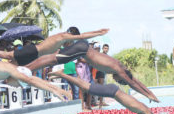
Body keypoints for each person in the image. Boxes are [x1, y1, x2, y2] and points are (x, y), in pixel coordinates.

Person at [24, 27, 159, 103]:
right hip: (82, 50)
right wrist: (148, 95)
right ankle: (26, 69)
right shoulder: (119, 70)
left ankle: (27, 67)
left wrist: (150, 93)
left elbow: (134, 80)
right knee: (53, 59)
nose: (116, 80)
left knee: (54, 57)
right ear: (121, 78)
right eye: (119, 80)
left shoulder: (121, 66)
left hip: (83, 49)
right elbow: (132, 83)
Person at [48, 70, 159, 114]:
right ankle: (62, 74)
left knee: (86, 87)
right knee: (86, 87)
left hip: (113, 91)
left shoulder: (142, 109)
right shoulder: (146, 111)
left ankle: (61, 77)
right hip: (113, 91)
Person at [0, 27, 109, 66]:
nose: (70, 44)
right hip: (33, 51)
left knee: (10, 67)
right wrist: (98, 32)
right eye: (71, 40)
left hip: (34, 55)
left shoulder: (62, 40)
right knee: (5, 55)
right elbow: (82, 36)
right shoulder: (63, 36)